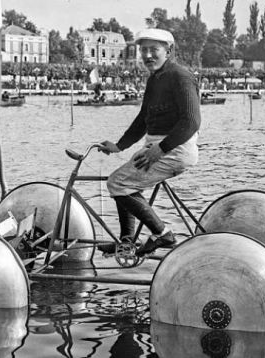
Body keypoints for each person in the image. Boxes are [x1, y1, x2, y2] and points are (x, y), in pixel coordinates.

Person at [97, 28, 201, 256]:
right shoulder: (156, 78)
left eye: (154, 50)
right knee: (121, 182)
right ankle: (127, 242)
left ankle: (163, 234)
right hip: (157, 147)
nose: (147, 56)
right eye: (143, 50)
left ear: (169, 51)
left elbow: (191, 122)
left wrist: (160, 150)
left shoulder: (180, 77)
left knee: (117, 183)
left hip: (174, 148)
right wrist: (119, 146)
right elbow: (144, 118)